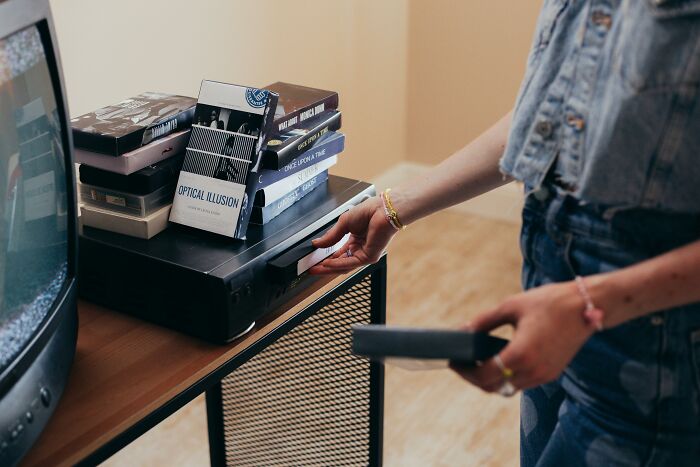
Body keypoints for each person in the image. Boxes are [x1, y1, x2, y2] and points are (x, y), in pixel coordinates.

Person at [310, 2, 700, 466]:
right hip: (550, 294)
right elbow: (541, 117)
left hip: (654, 346)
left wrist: (586, 304)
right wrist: (395, 208)